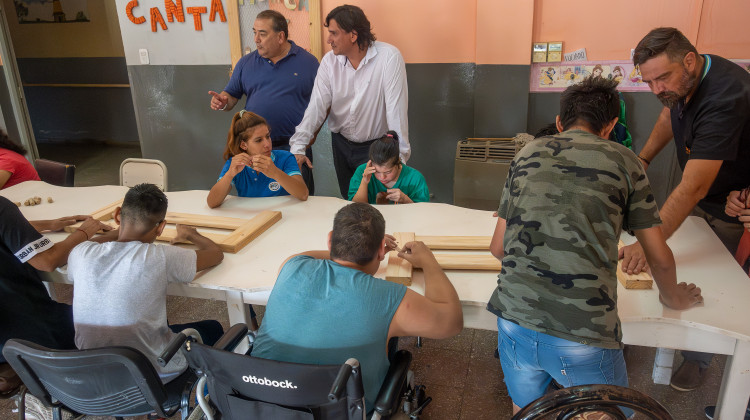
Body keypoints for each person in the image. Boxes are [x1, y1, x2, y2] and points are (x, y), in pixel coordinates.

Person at [486, 76, 703, 417]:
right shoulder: (625, 161)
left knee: (526, 410)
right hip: (582, 334)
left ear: (560, 123)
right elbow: (658, 257)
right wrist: (673, 296)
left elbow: (498, 247)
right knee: (607, 414)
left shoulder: (526, 155)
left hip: (513, 320)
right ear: (611, 125)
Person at [622, 27, 750, 393]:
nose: (657, 89)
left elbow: (693, 186)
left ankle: (698, 358)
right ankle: (636, 332)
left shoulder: (727, 96)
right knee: (668, 266)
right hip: (703, 200)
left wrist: (649, 243)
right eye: (649, 82)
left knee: (713, 284)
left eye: (662, 78)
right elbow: (668, 117)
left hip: (731, 206)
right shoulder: (683, 83)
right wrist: (643, 158)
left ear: (689, 61)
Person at [251, 202, 463, 409]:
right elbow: (451, 322)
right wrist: (428, 261)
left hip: (260, 403)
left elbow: (305, 255)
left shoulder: (291, 267)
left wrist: (347, 249)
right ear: (382, 250)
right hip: (339, 411)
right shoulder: (391, 298)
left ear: (330, 240)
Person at [67, 183, 225, 383]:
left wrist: (120, 231)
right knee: (213, 328)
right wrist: (191, 235)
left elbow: (94, 249)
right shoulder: (160, 256)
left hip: (96, 377)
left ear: (117, 215)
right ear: (161, 228)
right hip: (152, 376)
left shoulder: (81, 253)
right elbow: (215, 255)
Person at [288, 5, 410, 199]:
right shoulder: (329, 62)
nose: (329, 40)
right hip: (341, 145)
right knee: (351, 201)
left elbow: (396, 110)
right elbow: (317, 105)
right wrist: (298, 146)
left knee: (380, 205)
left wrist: (399, 158)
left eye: (334, 33)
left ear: (353, 35)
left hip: (377, 147)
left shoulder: (389, 57)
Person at [208, 10, 319, 194]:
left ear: (280, 36)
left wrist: (311, 136)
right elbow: (231, 96)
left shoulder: (309, 63)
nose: (256, 39)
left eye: (262, 33)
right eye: (254, 32)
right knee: (256, 199)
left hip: (294, 147)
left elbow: (323, 103)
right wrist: (222, 101)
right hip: (254, 148)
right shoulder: (246, 63)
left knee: (300, 200)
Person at [0, 196, 113, 364]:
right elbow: (48, 260)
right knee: (112, 320)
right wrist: (83, 233)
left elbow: (8, 227)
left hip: (5, 332)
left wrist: (48, 224)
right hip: (32, 332)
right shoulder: (2, 208)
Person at [207, 110, 308, 208]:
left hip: (283, 217)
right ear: (243, 145)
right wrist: (229, 175)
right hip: (249, 219)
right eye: (258, 140)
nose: (267, 144)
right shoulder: (234, 164)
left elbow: (303, 194)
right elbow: (212, 203)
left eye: (268, 136)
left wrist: (275, 173)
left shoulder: (286, 158)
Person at [348, 131, 429, 204]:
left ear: (398, 162)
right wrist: (364, 182)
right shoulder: (362, 172)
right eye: (377, 171)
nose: (382, 177)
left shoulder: (415, 178)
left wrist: (405, 200)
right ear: (371, 163)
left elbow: (422, 214)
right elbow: (356, 209)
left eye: (388, 172)